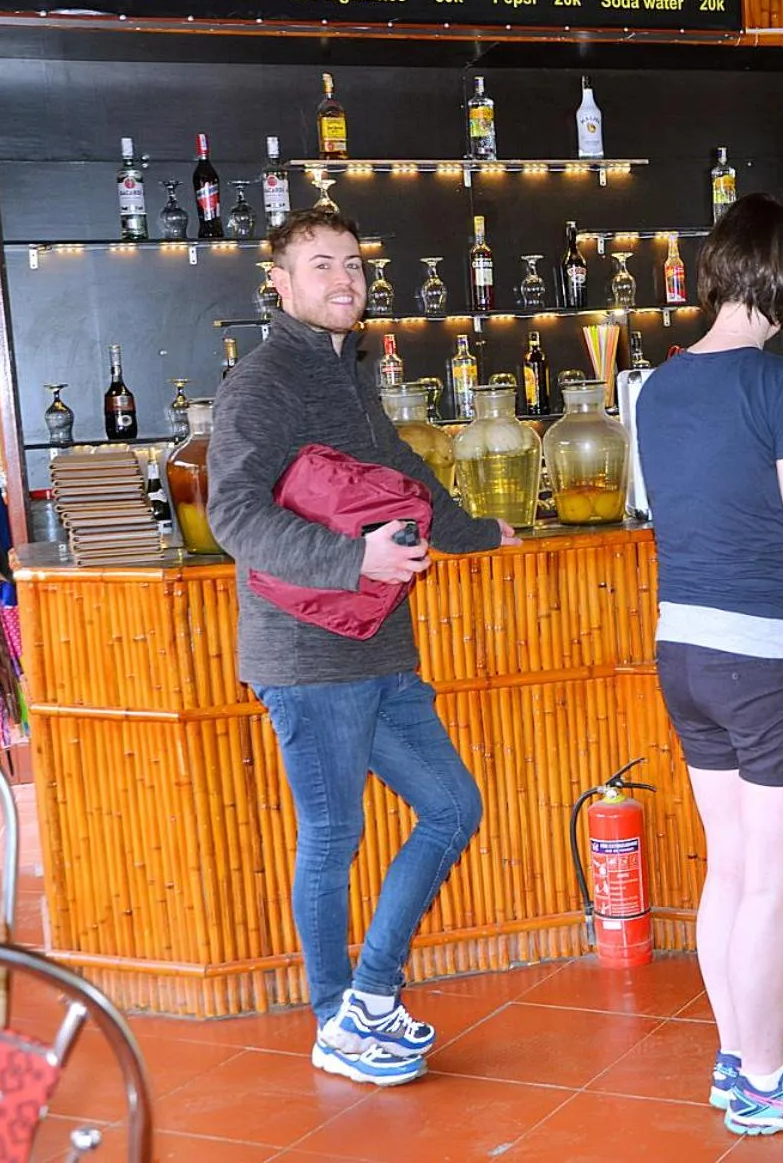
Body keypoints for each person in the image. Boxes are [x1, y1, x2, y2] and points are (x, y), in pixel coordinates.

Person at [208, 207, 511, 1088]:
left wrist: (476, 532)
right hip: (306, 654)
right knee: (334, 833)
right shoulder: (264, 381)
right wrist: (353, 557)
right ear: (280, 281)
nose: (344, 281)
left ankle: (370, 996)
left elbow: (401, 483)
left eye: (353, 265)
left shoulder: (352, 372)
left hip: (380, 646)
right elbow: (234, 514)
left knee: (453, 806)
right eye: (320, 265)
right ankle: (334, 1014)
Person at [635, 192, 783, 1136]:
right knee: (768, 885)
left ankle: (739, 1058)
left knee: (729, 870)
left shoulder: (659, 384)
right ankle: (771, 1079)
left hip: (685, 648)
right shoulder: (775, 386)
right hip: (773, 659)